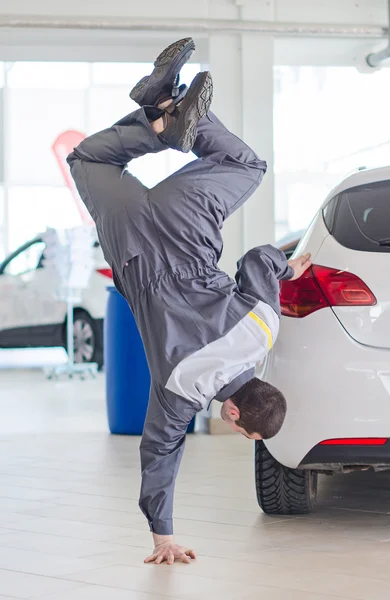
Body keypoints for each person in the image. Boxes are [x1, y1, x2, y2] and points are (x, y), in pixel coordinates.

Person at [67, 37, 311, 566]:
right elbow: (159, 451)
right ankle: (161, 121)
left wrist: (285, 265)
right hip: (133, 247)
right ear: (232, 413)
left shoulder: (264, 328)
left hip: (187, 222)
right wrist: (163, 535)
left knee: (245, 164)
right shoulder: (184, 389)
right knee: (85, 159)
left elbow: (254, 261)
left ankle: (167, 115)